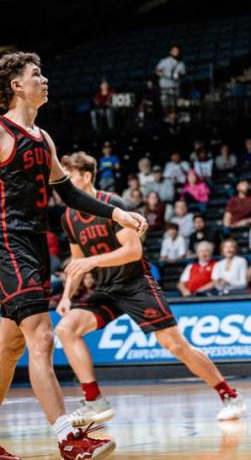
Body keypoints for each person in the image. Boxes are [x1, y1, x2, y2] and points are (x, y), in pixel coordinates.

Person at [0, 53, 149, 460]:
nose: (44, 80)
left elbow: (68, 194)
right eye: (36, 75)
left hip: (32, 243)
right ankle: (69, 438)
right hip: (7, 243)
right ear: (16, 85)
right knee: (42, 338)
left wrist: (117, 211)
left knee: (10, 346)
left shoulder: (42, 137)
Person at [54, 152, 245, 427]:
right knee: (66, 329)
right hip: (107, 288)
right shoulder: (69, 217)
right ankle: (94, 400)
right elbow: (77, 263)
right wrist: (66, 296)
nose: (64, 184)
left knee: (175, 345)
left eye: (69, 177)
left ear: (85, 177)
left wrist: (91, 261)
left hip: (135, 284)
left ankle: (229, 395)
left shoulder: (113, 205)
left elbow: (133, 252)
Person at [155, 45, 185, 113]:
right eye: (174, 51)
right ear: (170, 52)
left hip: (175, 86)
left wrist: (178, 76)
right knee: (164, 103)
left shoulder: (181, 63)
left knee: (173, 104)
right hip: (164, 86)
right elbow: (157, 70)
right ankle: (167, 117)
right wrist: (165, 75)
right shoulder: (164, 61)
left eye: (177, 51)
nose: (176, 52)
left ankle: (172, 117)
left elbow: (183, 74)